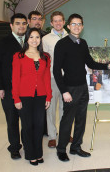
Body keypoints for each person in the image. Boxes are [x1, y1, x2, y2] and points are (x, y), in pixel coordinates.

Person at [53, 13, 110, 162]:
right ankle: (61, 149)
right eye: (73, 24)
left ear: (82, 27)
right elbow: (56, 70)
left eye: (79, 24)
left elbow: (90, 63)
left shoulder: (82, 43)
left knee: (81, 119)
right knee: (67, 120)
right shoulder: (61, 44)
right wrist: (64, 91)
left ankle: (76, 146)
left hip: (82, 87)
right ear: (68, 26)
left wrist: (107, 66)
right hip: (70, 88)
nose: (77, 27)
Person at [12, 28, 52, 166]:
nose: (34, 40)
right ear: (27, 39)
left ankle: (38, 153)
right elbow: (15, 79)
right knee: (27, 125)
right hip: (24, 96)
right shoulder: (19, 56)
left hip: (40, 96)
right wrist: (16, 98)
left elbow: (46, 78)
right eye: (31, 37)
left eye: (37, 37)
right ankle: (30, 154)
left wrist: (48, 96)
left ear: (40, 40)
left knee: (39, 125)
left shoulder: (45, 56)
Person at [0, 13, 27, 160]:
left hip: (28, 90)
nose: (21, 26)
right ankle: (14, 147)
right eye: (18, 23)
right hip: (9, 89)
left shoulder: (32, 41)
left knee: (27, 120)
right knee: (12, 120)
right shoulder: (3, 42)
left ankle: (28, 144)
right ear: (11, 26)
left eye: (24, 23)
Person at [42, 11, 70, 148]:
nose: (58, 23)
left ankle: (65, 133)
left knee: (66, 108)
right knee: (51, 109)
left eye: (60, 20)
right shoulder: (46, 39)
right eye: (55, 21)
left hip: (68, 78)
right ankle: (52, 136)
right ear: (51, 23)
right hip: (52, 78)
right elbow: (45, 61)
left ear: (64, 22)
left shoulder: (70, 36)